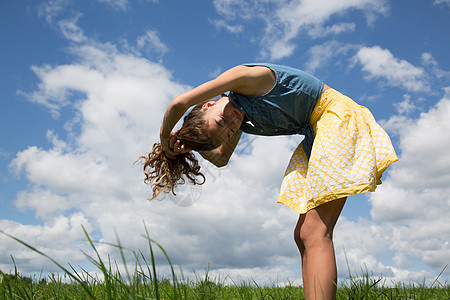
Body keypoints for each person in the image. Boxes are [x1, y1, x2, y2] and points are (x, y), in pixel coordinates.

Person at [140, 63, 398, 300]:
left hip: (335, 116)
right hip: (316, 132)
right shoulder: (237, 114)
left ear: (208, 105)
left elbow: (179, 102)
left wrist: (165, 139)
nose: (233, 123)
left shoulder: (245, 79)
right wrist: (188, 148)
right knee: (302, 234)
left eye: (223, 121)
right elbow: (220, 158)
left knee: (316, 232)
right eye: (229, 131)